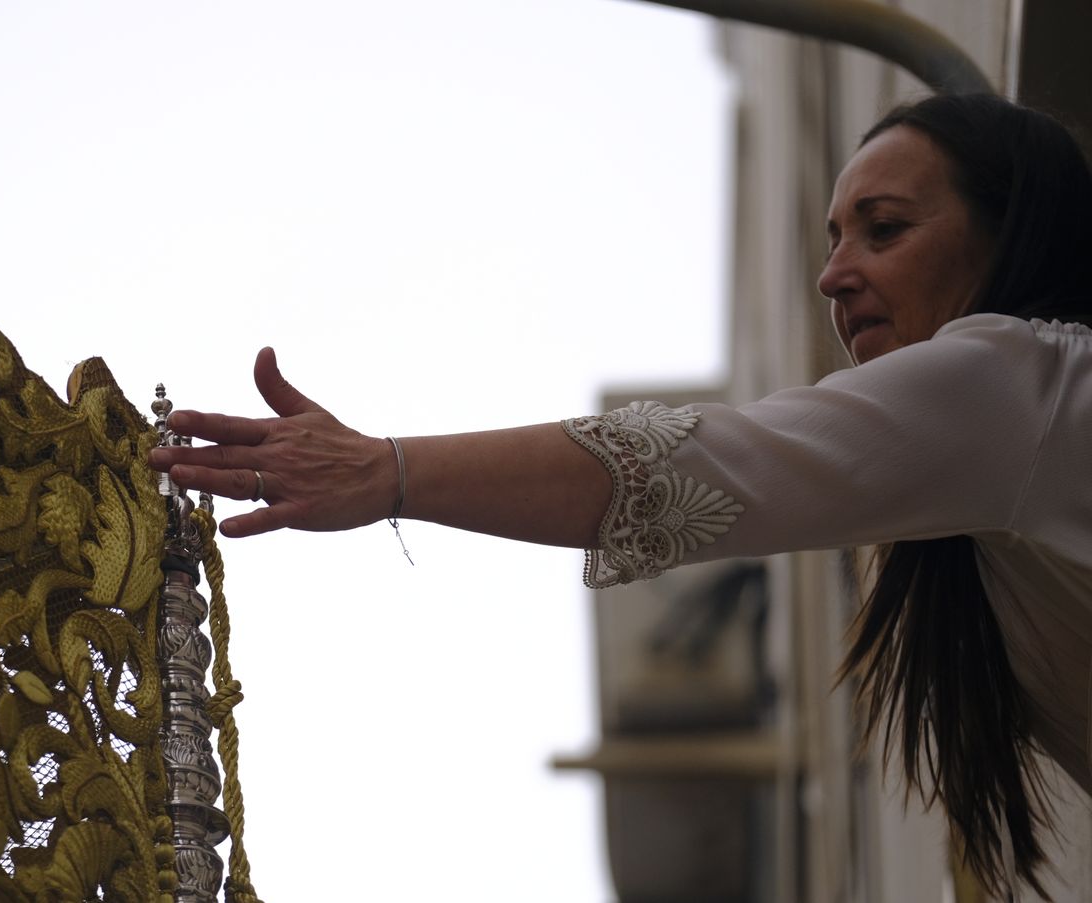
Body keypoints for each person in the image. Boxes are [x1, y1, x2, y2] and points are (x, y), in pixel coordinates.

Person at [148, 92, 1092, 897]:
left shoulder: (1013, 381)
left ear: (1009, 237)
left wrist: (387, 469)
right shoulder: (981, 477)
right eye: (835, 237)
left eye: (885, 230)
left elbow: (709, 462)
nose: (833, 276)